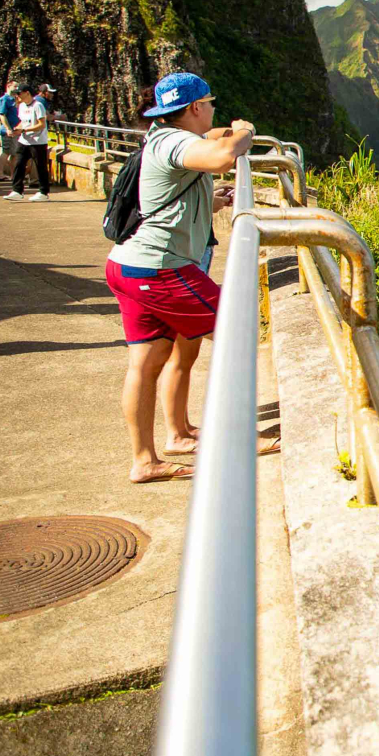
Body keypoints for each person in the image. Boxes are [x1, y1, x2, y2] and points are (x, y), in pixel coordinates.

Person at [105, 72, 254, 483]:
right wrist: (246, 131)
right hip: (160, 267)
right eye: (209, 102)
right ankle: (240, 435)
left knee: (147, 362)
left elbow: (185, 182)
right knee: (237, 330)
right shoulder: (175, 141)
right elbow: (225, 154)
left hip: (129, 265)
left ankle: (149, 457)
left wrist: (212, 200)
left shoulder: (163, 136)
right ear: (194, 108)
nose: (213, 110)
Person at [5, 84, 51, 201]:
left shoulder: (38, 105)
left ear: (27, 93)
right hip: (24, 140)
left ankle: (43, 192)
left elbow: (42, 124)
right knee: (19, 164)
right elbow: (23, 122)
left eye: (19, 93)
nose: (17, 96)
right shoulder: (21, 106)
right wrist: (16, 130)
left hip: (38, 142)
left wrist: (24, 130)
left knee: (40, 166)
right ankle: (17, 190)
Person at [0, 81, 20, 181]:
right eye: (15, 86)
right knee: (6, 151)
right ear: (8, 86)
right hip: (8, 130)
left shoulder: (15, 99)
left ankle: (13, 174)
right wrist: (8, 128)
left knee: (14, 153)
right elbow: (2, 115)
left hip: (16, 130)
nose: (16, 88)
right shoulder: (4, 99)